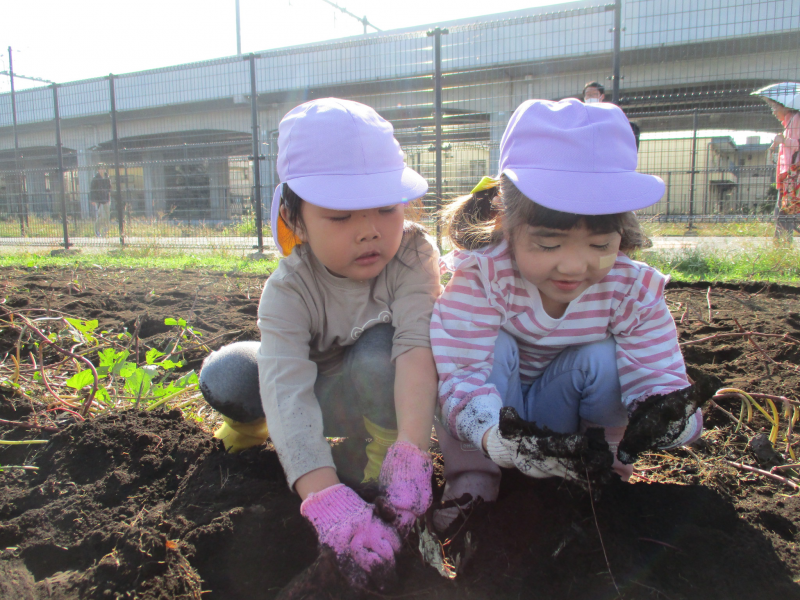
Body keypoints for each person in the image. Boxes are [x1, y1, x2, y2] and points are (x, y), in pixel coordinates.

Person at [197, 98, 440, 590]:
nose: (369, 229)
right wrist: (323, 494)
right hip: (313, 399)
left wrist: (412, 456)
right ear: (298, 221)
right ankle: (250, 437)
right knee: (234, 373)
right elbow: (287, 388)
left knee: (380, 351)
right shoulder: (289, 289)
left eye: (385, 208)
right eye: (341, 216)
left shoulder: (413, 255)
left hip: (380, 396)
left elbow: (417, 348)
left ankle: (382, 472)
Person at [430, 98, 703, 529]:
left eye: (600, 246)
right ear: (505, 218)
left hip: (568, 418)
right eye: (549, 244)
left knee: (604, 356)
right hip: (490, 417)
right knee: (495, 345)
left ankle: (595, 472)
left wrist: (665, 414)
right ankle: (473, 476)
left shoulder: (630, 290)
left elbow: (656, 370)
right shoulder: (484, 276)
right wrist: (494, 438)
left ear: (622, 233)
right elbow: (461, 371)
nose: (575, 266)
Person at [752, 83, 800, 237]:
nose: (773, 112)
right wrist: (777, 143)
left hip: (793, 175)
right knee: (784, 211)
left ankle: (782, 246)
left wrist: (783, 140)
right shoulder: (789, 123)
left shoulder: (796, 119)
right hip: (789, 175)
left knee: (784, 212)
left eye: (774, 107)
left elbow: (797, 144)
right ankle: (782, 245)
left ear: (785, 106)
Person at [89, 170, 111, 236]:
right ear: (98, 170)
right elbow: (92, 189)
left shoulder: (107, 178)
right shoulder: (95, 178)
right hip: (99, 200)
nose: (102, 170)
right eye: (101, 169)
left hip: (106, 199)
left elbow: (109, 188)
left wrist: (108, 197)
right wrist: (93, 200)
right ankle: (97, 230)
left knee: (107, 217)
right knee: (101, 216)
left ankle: (105, 232)